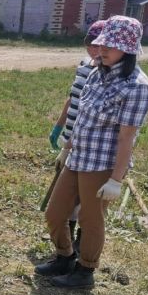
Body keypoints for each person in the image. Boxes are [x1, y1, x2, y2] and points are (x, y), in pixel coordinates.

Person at [36, 16, 148, 288]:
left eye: (110, 47)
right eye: (102, 45)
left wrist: (116, 179)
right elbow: (80, 117)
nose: (102, 50)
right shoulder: (94, 73)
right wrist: (67, 147)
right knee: (55, 213)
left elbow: (127, 138)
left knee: (91, 220)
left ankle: (85, 270)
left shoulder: (137, 88)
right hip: (78, 156)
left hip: (102, 165)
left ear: (129, 49)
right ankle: (64, 257)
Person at [47, 20, 107, 252]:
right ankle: (68, 241)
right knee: (65, 196)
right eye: (89, 43)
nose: (92, 49)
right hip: (71, 137)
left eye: (97, 44)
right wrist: (59, 126)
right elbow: (73, 98)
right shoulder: (84, 67)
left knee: (88, 201)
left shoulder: (106, 73)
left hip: (91, 147)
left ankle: (83, 244)